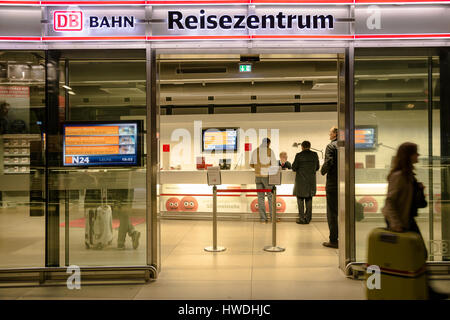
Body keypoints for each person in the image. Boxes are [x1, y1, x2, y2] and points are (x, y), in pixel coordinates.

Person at [382, 142, 448, 300]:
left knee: (418, 254)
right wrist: (396, 224)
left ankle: (423, 289)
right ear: (408, 156)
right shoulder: (399, 176)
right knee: (416, 254)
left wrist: (419, 191)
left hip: (407, 219)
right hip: (401, 222)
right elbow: (390, 202)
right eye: (415, 153)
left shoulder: (408, 175)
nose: (418, 156)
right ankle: (423, 290)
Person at [292, 141, 320, 224]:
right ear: (310, 146)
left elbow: (294, 167)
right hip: (311, 181)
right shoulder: (314, 155)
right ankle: (308, 219)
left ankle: (301, 218)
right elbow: (317, 167)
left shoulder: (299, 155)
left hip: (301, 181)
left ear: (302, 147)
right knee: (309, 199)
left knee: (300, 200)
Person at [250, 138, 277, 223]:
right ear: (268, 143)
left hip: (257, 176)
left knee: (260, 197)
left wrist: (258, 168)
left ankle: (263, 218)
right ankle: (273, 218)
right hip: (266, 176)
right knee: (270, 196)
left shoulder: (255, 151)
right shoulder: (269, 151)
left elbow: (251, 164)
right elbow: (274, 164)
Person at [321, 126, 339, 248]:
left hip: (333, 182)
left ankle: (333, 240)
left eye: (330, 132)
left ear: (335, 134)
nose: (329, 134)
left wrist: (323, 171)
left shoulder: (331, 146)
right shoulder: (346, 145)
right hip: (345, 183)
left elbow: (328, 162)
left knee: (332, 212)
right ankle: (345, 238)